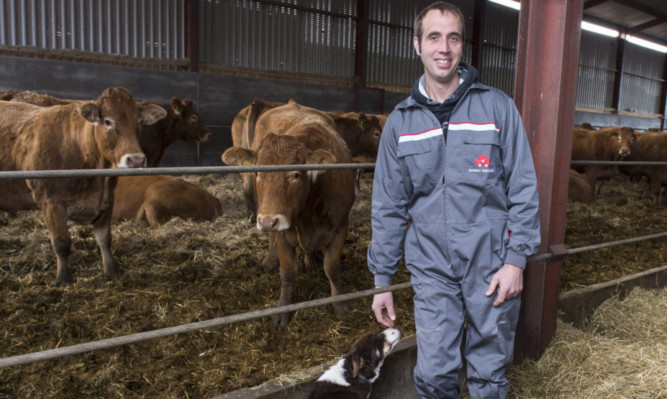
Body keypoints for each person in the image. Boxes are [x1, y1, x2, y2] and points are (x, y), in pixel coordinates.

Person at [366, 2, 541, 398]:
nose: (443, 47)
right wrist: (383, 280)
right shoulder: (401, 123)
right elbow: (388, 206)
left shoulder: (497, 108)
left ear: (462, 46)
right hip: (432, 268)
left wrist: (516, 261)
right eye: (433, 37)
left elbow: (524, 188)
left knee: (489, 375)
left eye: (453, 37)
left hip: (491, 263)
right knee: (433, 374)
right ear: (417, 46)